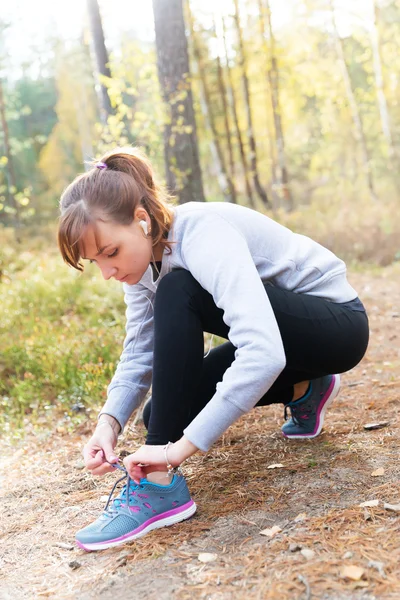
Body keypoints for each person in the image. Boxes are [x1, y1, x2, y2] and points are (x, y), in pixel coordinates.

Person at [58, 147, 369, 552]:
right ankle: (306, 388)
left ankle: (158, 488)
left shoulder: (201, 232)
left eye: (111, 252)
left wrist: (175, 452)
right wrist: (108, 423)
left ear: (141, 219)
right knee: (162, 412)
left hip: (337, 327)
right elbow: (139, 350)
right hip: (290, 344)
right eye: (95, 261)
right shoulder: (139, 267)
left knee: (177, 289)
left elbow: (263, 351)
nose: (108, 272)